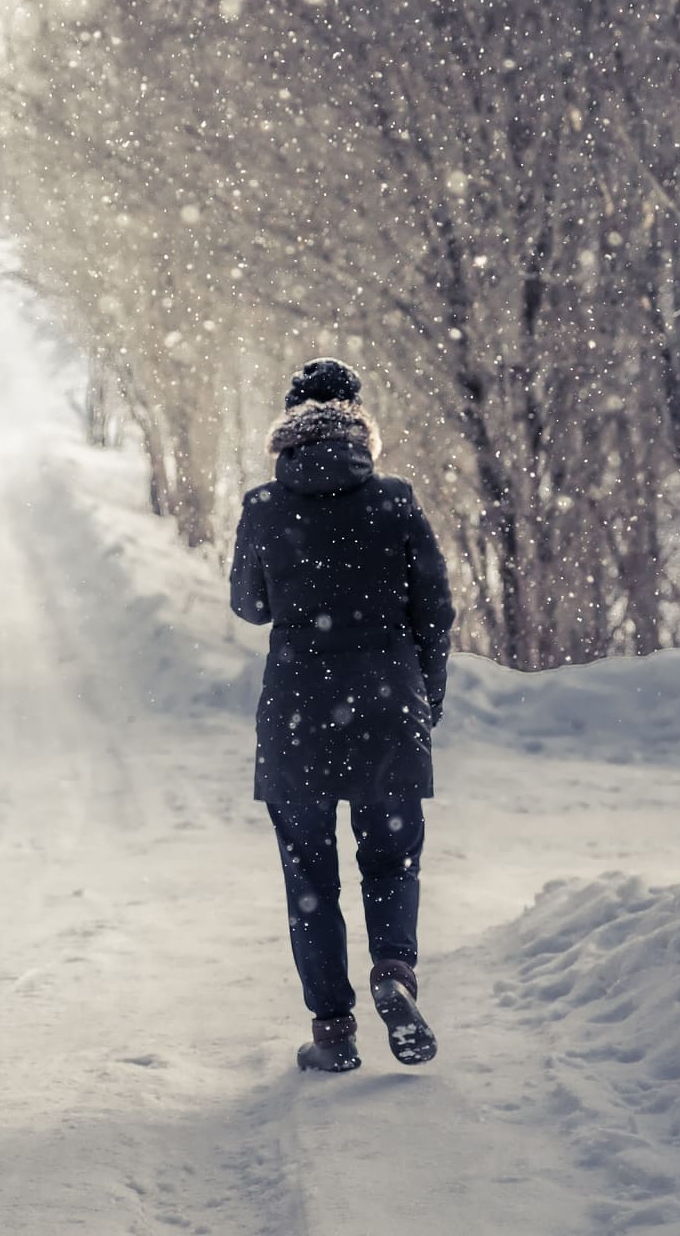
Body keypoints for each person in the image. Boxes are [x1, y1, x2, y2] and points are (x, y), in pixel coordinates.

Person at [229, 358, 455, 1073]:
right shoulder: (395, 502)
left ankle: (334, 1030)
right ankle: (393, 970)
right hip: (388, 705)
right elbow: (436, 613)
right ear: (362, 425)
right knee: (390, 860)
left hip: (298, 711)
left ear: (287, 426)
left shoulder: (264, 507)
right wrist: (427, 698)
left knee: (309, 877)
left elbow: (250, 605)